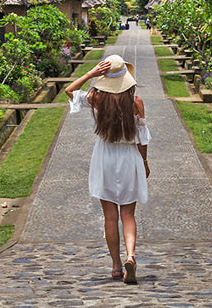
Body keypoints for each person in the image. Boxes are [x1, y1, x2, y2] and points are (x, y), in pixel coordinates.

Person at [65, 54, 151, 284]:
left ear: (104, 78)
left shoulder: (96, 99)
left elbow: (70, 91)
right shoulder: (136, 103)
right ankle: (130, 257)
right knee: (128, 215)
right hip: (129, 157)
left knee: (110, 217)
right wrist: (144, 163)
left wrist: (91, 74)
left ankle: (115, 265)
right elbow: (142, 139)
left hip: (104, 157)